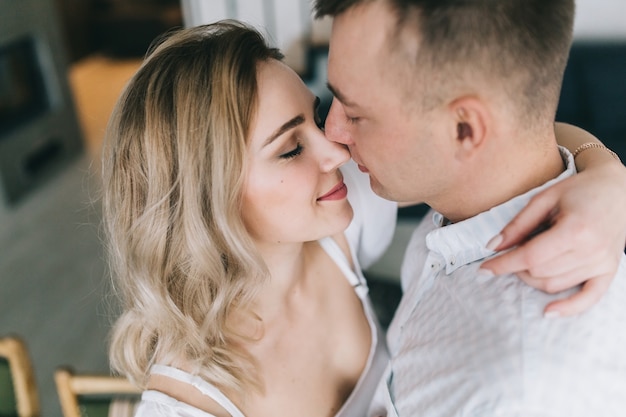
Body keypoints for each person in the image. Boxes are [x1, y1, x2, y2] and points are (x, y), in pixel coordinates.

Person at [103, 17, 623, 417]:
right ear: (206, 197)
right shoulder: (183, 405)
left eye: (315, 113)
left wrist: (607, 174)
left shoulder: (342, 216)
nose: (334, 148)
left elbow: (501, 132)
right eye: (290, 149)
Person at [313, 0, 626, 415]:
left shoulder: (517, 392)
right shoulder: (464, 196)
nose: (331, 133)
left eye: (355, 113)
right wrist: (604, 163)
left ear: (464, 130)